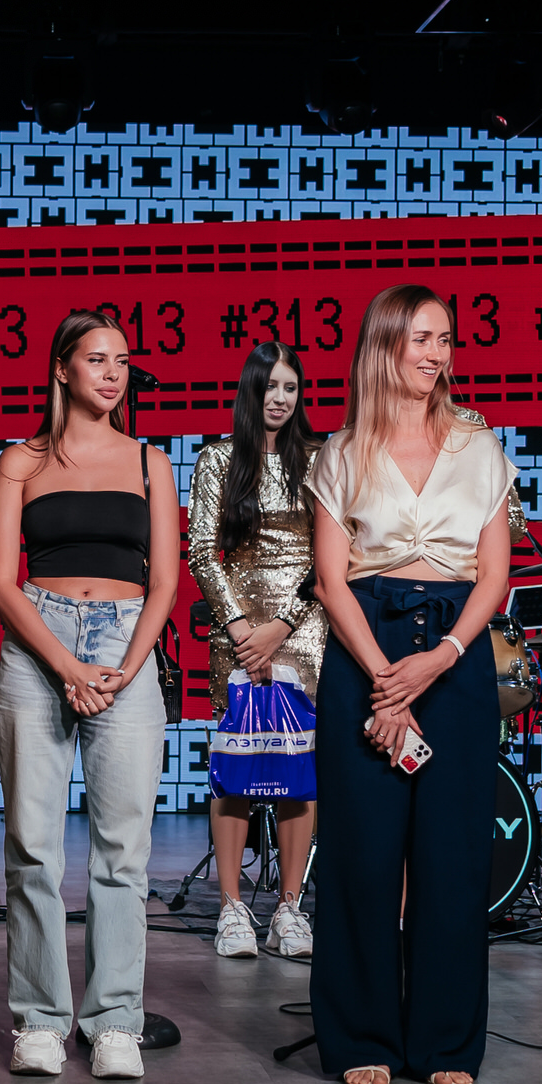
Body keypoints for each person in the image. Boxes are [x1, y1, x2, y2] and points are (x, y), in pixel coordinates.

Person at [308, 285, 517, 1084]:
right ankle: (361, 1035)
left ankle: (445, 1041)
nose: (437, 353)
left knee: (453, 856)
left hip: (457, 650)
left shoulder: (479, 445)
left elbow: (494, 574)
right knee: (362, 852)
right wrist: (386, 684)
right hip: (366, 644)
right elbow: (330, 581)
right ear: (385, 344)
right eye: (422, 338)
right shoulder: (341, 451)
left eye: (445, 340)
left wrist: (444, 656)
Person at [0, 310, 180, 1081]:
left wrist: (126, 668)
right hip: (40, 646)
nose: (113, 373)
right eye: (96, 359)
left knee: (123, 852)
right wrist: (65, 663)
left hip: (128, 644)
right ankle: (38, 1021)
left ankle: (114, 1022)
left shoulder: (151, 462)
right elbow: (2, 581)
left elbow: (165, 583)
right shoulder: (21, 460)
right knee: (33, 847)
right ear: (62, 368)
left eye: (122, 360)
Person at [187, 342, 325, 960]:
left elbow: (333, 554)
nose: (280, 398)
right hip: (237, 633)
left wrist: (285, 625)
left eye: (290, 387)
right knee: (235, 770)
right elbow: (201, 552)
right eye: (270, 386)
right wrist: (243, 628)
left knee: (299, 768)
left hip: (307, 627)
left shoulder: (321, 458)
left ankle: (290, 909)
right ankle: (232, 909)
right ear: (251, 390)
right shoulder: (218, 458)